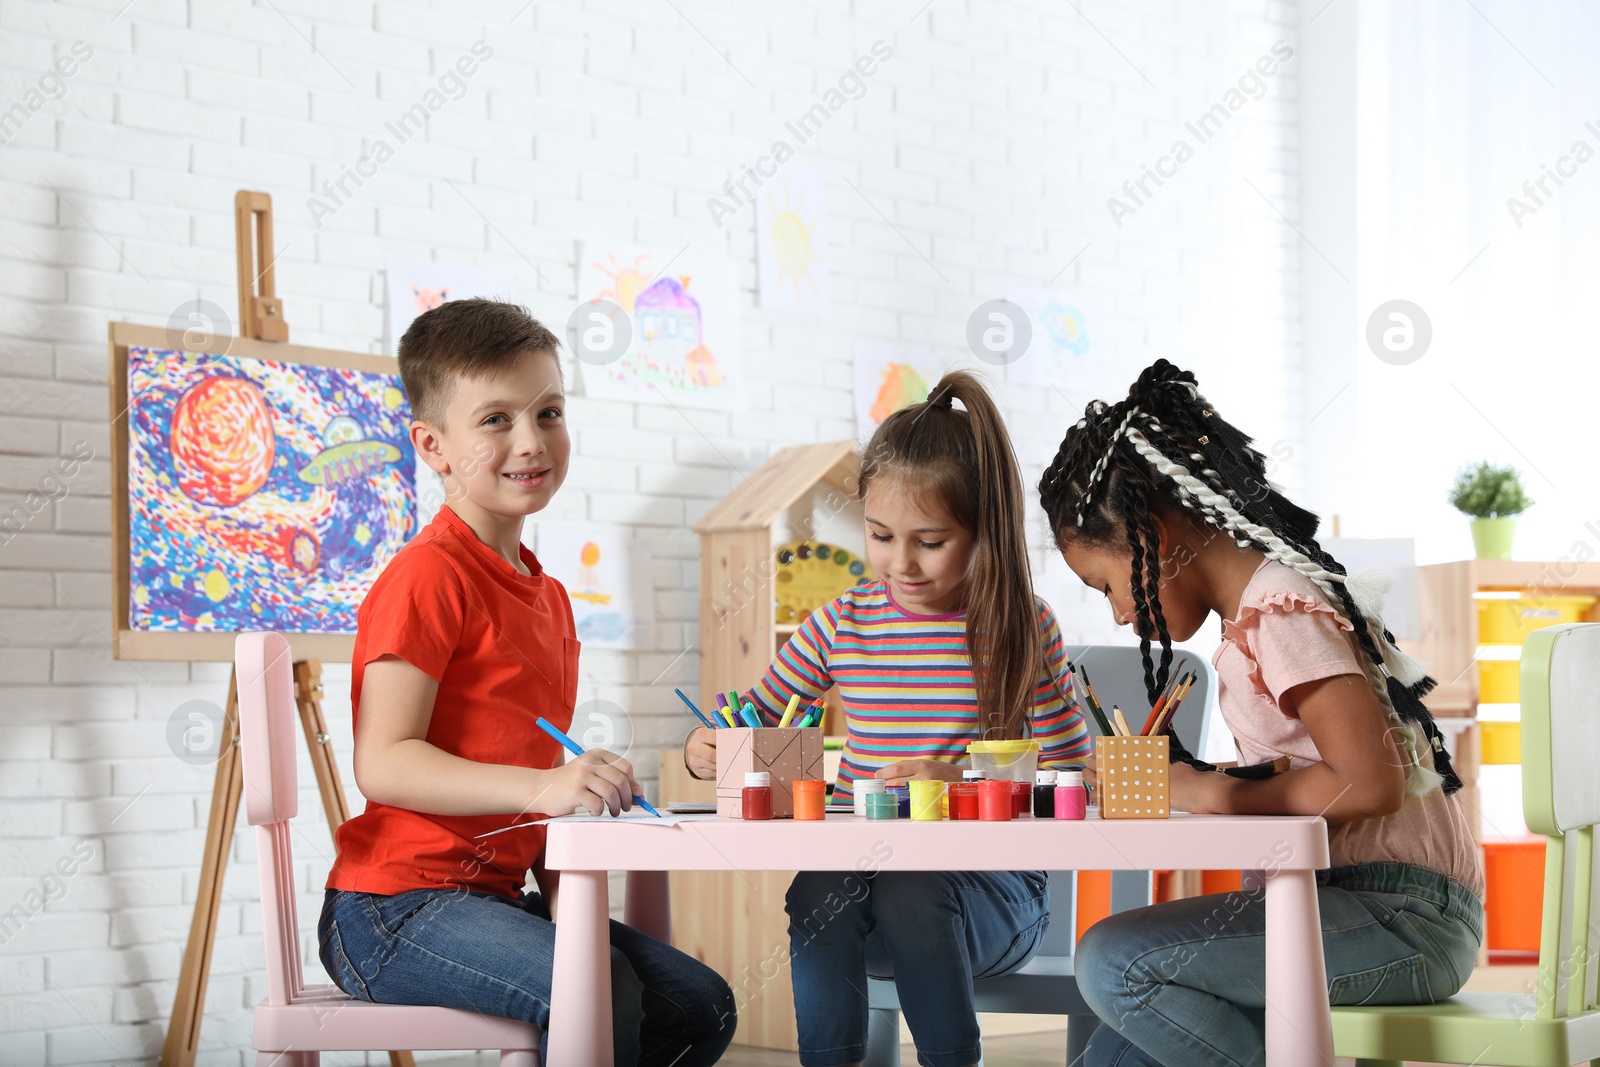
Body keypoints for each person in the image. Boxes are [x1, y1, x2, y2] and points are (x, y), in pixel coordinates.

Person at [319, 299, 734, 1066]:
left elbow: (540, 777)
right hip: (391, 909)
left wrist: (570, 808)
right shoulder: (428, 577)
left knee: (702, 1007)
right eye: (496, 420)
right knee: (596, 984)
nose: (531, 441)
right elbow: (384, 761)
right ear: (432, 445)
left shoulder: (547, 597)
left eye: (548, 411)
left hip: (493, 900)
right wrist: (545, 788)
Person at [1038, 358, 1483, 1067]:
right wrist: (1215, 782)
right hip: (1348, 904)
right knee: (1114, 1054)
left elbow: (1370, 782)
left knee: (1114, 963)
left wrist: (1217, 791)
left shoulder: (1280, 608)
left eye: (1107, 583)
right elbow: (1310, 768)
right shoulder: (1259, 613)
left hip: (1400, 915)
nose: (1121, 613)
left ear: (1154, 530)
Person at [685, 370, 1090, 1067]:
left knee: (914, 885)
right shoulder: (844, 620)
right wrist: (709, 745)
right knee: (817, 884)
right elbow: (757, 714)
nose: (899, 562)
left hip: (998, 899)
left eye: (929, 541)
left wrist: (962, 779)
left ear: (983, 528)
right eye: (879, 534)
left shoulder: (1020, 626)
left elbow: (1075, 781)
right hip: (861, 889)